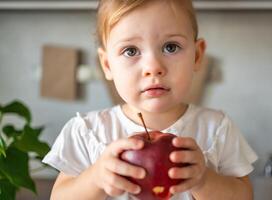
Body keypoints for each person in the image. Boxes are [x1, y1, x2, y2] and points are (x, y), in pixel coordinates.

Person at [42, 0, 258, 199]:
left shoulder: (216, 129)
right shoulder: (88, 132)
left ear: (197, 56)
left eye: (170, 47)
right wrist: (96, 177)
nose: (153, 67)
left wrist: (204, 181)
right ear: (107, 65)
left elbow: (244, 196)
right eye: (131, 50)